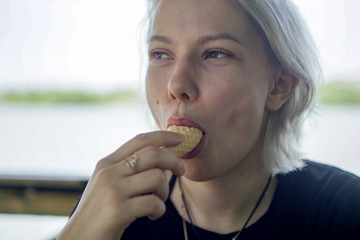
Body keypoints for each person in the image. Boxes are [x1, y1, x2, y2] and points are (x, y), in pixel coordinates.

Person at [57, 0, 360, 239]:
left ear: (278, 85)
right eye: (161, 54)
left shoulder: (344, 212)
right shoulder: (114, 214)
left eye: (214, 53)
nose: (176, 86)